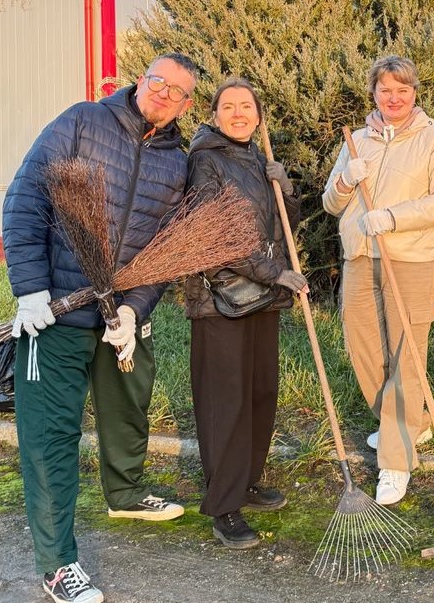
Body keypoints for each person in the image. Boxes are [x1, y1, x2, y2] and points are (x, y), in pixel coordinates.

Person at [2, 53, 198, 603]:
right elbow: (25, 199)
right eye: (158, 81)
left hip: (116, 320)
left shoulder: (175, 163)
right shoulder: (82, 121)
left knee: (129, 406)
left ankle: (126, 494)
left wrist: (135, 311)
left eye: (178, 91)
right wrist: (30, 289)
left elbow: (162, 253)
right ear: (142, 81)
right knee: (51, 439)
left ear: (186, 106)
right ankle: (59, 564)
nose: (164, 93)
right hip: (57, 313)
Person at [322, 56, 434, 505]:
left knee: (405, 355)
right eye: (385, 90)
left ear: (414, 93)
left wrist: (393, 217)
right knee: (362, 348)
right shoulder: (357, 140)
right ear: (374, 94)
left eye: (402, 90)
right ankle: (407, 425)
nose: (394, 98)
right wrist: (346, 179)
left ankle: (395, 462)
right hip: (361, 257)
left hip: (411, 259)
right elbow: (330, 202)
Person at [182, 77, 307, 549]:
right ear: (215, 115)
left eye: (246, 107)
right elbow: (216, 236)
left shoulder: (257, 158)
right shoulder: (205, 161)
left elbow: (284, 228)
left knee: (260, 393)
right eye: (228, 107)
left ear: (258, 115)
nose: (238, 114)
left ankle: (247, 481)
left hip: (262, 298)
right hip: (222, 300)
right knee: (225, 404)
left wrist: (286, 189)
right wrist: (275, 273)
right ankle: (224, 505)